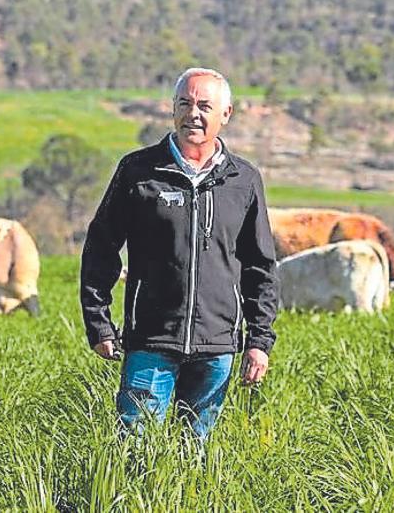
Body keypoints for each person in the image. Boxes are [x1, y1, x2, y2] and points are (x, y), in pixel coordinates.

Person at [80, 67, 279, 441]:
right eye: (185, 103)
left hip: (217, 346)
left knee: (195, 451)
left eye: (205, 106)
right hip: (151, 341)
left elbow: (260, 266)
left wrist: (259, 340)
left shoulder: (244, 180)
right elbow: (101, 247)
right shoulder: (138, 171)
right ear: (173, 108)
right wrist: (99, 323)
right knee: (134, 446)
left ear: (226, 114)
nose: (193, 114)